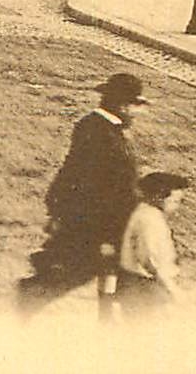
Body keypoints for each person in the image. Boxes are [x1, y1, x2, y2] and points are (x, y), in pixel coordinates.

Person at [17, 73, 147, 315]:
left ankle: (104, 318)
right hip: (93, 219)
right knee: (79, 269)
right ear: (123, 105)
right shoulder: (102, 134)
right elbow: (94, 183)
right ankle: (30, 296)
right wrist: (107, 229)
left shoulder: (101, 127)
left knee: (106, 270)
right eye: (136, 105)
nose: (138, 113)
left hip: (98, 217)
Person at [115, 171, 190, 317]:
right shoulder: (149, 220)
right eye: (175, 201)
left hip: (137, 286)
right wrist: (173, 289)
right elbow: (150, 261)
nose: (178, 207)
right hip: (144, 289)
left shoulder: (144, 213)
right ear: (159, 197)